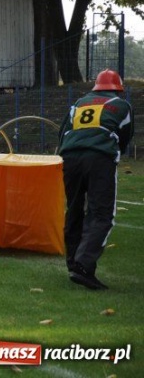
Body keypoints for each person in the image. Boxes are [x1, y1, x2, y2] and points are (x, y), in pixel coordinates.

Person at [58, 69, 134, 290]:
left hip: (70, 157)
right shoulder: (122, 105)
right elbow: (125, 136)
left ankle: (73, 263)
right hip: (99, 158)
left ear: (96, 87)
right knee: (102, 213)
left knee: (74, 209)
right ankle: (83, 264)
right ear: (118, 89)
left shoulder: (78, 103)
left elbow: (63, 132)